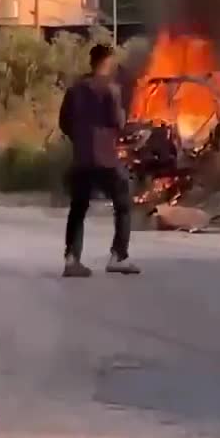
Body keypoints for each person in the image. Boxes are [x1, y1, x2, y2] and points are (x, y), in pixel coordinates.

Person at [59, 43, 140, 278]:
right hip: (105, 158)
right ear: (107, 62)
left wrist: (80, 138)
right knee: (123, 204)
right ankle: (119, 256)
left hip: (81, 158)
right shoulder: (110, 90)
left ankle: (71, 260)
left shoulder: (74, 90)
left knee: (78, 208)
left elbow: (63, 122)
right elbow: (118, 122)